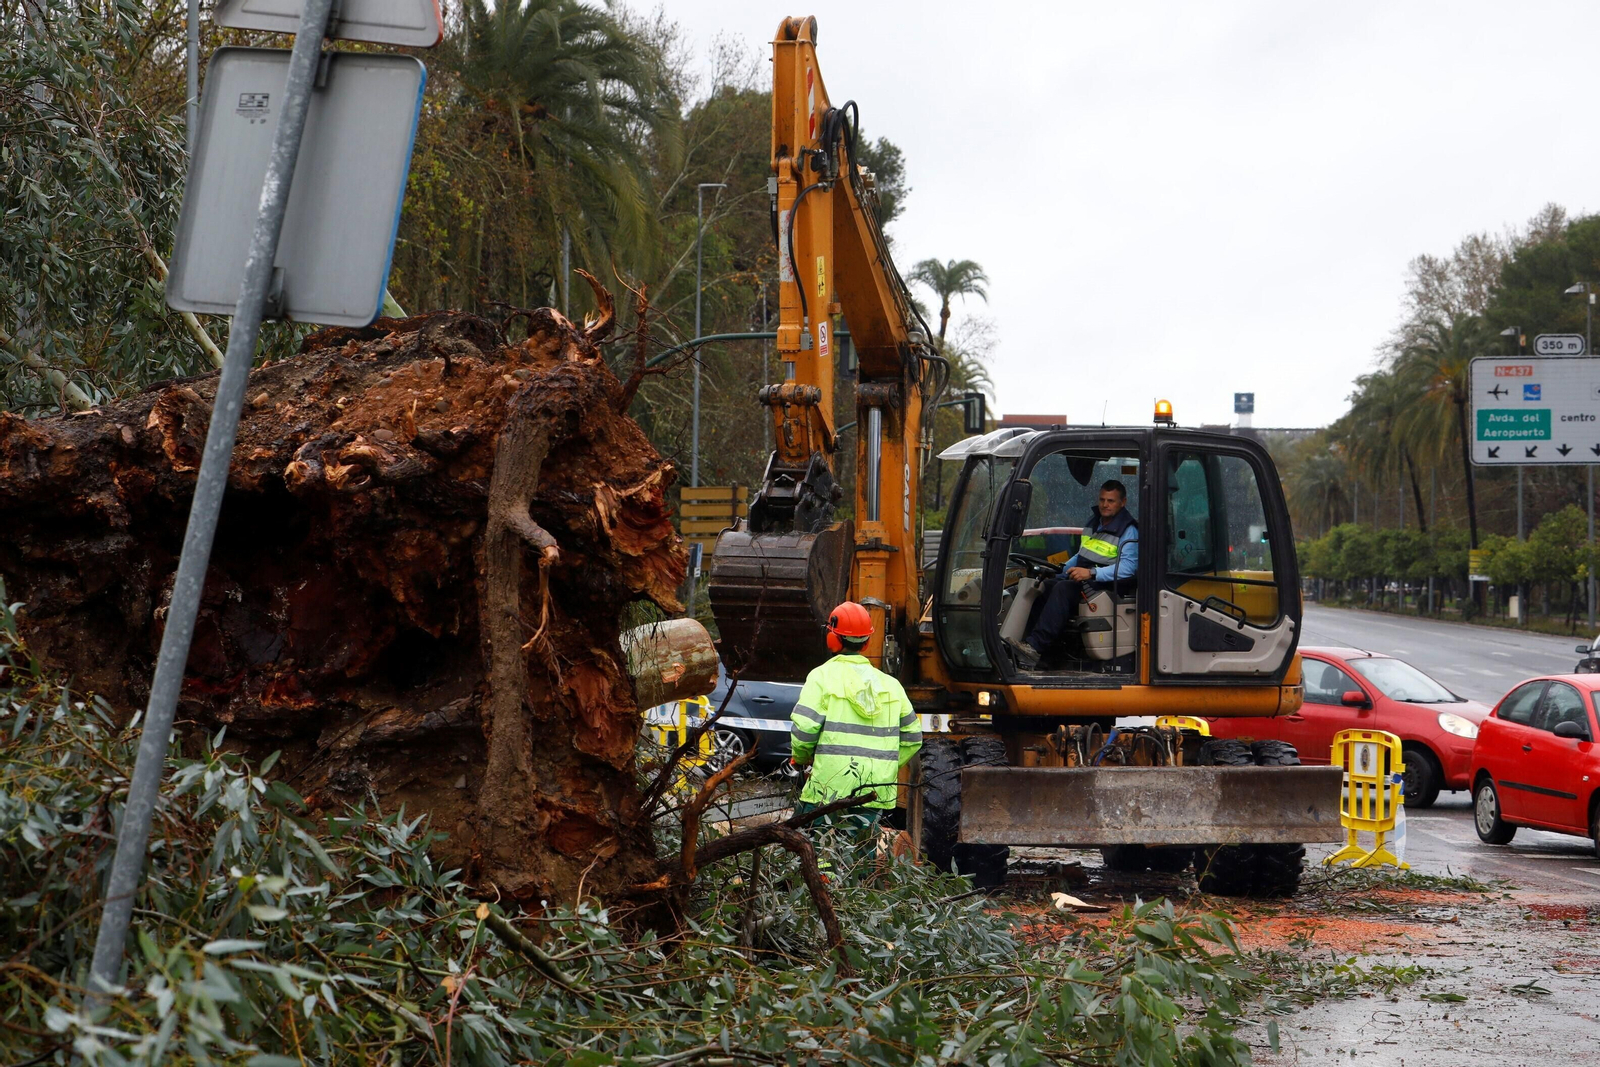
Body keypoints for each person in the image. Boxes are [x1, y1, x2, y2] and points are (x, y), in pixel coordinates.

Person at [789, 601, 923, 850]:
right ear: (868, 642)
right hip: (873, 792)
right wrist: (886, 766)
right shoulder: (891, 685)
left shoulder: (821, 677)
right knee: (858, 862)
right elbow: (914, 737)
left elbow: (804, 730)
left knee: (811, 854)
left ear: (833, 639)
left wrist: (802, 758)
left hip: (826, 789)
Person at [1007, 479, 1138, 669]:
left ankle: (1035, 646)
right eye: (1102, 500)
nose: (1105, 505)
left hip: (1107, 587)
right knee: (1044, 587)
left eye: (1111, 501)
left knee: (1063, 589)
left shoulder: (1129, 530)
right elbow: (1081, 554)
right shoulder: (1094, 523)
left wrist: (1092, 573)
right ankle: (1035, 650)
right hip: (1087, 581)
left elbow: (1128, 568)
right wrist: (1059, 570)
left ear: (1123, 502)